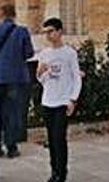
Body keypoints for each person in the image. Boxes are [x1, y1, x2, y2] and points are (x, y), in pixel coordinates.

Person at [0, 3, 34, 158]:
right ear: (14, 15)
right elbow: (28, 53)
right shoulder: (22, 32)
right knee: (12, 112)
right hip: (17, 78)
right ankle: (11, 147)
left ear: (0, 14)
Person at [36, 17, 81, 182]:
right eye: (46, 32)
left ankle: (61, 173)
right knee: (51, 140)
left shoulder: (69, 53)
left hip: (62, 102)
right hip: (48, 100)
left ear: (59, 32)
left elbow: (77, 77)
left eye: (51, 31)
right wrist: (40, 72)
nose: (48, 35)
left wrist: (72, 99)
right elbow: (41, 79)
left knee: (59, 138)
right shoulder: (44, 53)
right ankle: (54, 171)